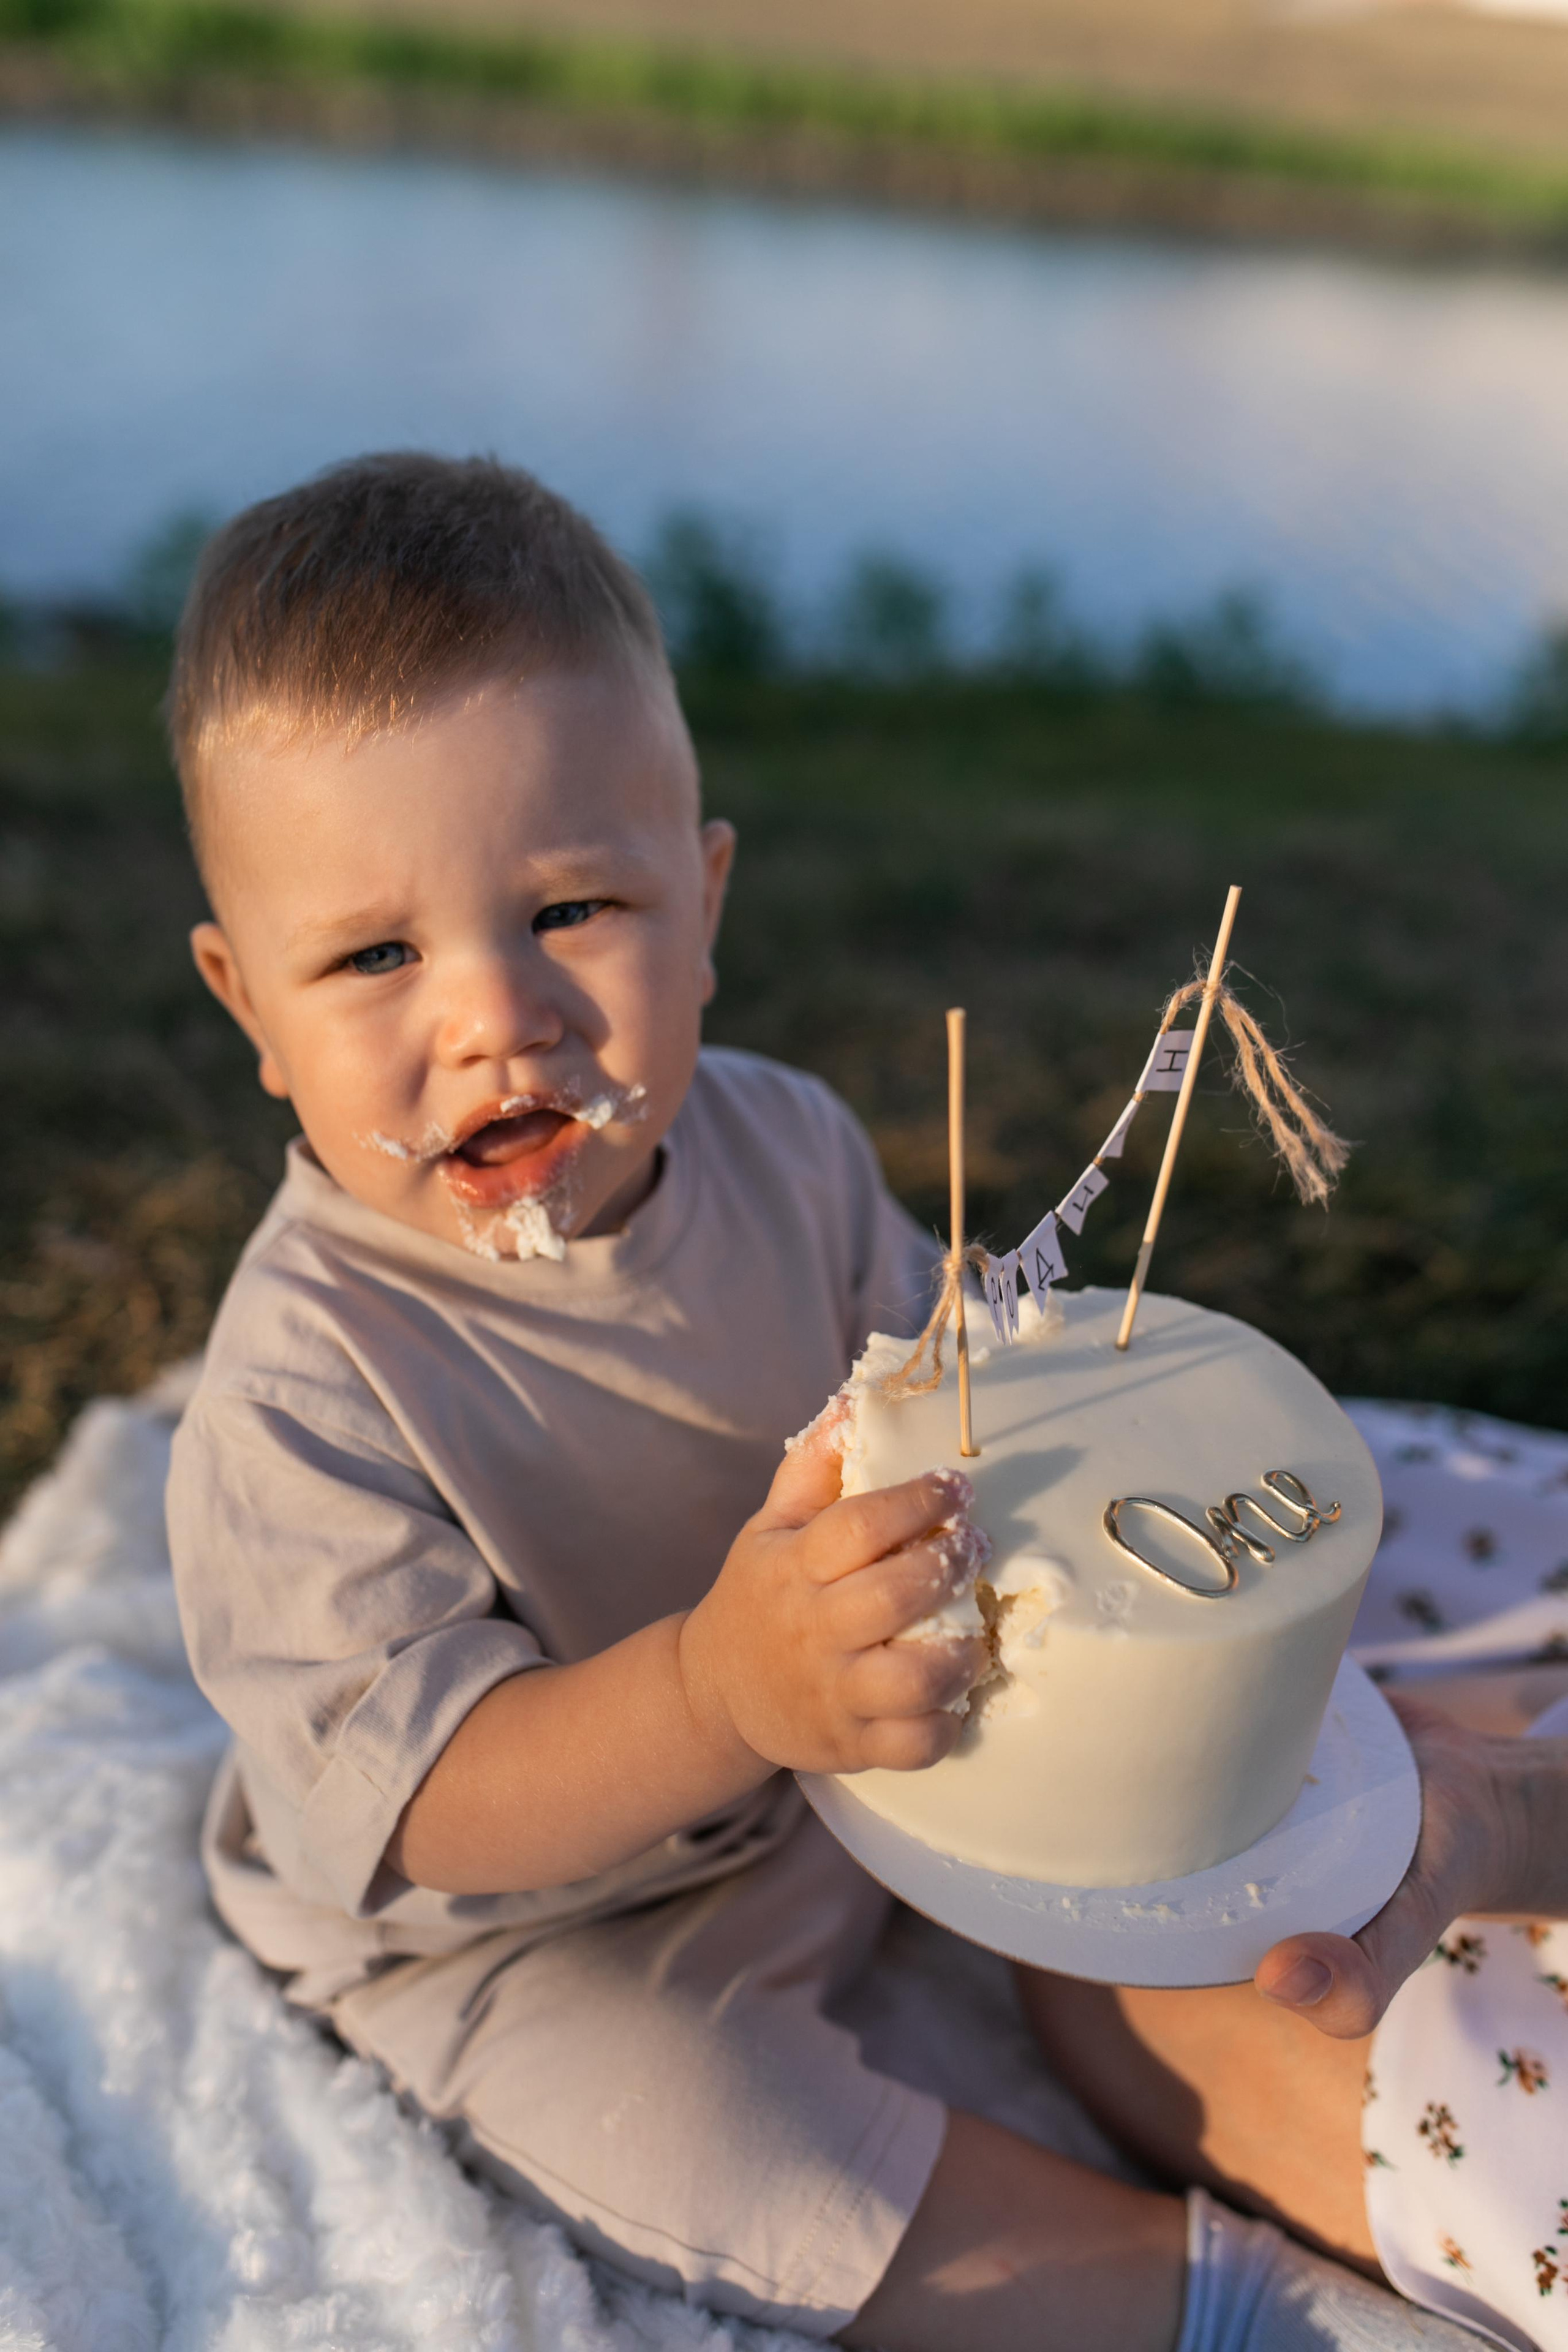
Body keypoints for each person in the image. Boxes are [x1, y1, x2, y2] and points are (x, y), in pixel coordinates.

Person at [165, 449, 1515, 2352]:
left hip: (858, 1772)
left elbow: (940, 1392)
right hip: (541, 1918)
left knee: (1187, 1809)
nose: (492, 1015)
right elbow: (436, 1807)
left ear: (701, 904)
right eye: (375, 954)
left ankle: (1428, 1799)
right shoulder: (309, 1396)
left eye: (571, 908)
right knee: (698, 2135)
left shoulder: (782, 1146)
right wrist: (723, 1691)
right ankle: (1199, 2301)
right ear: (248, 1006)